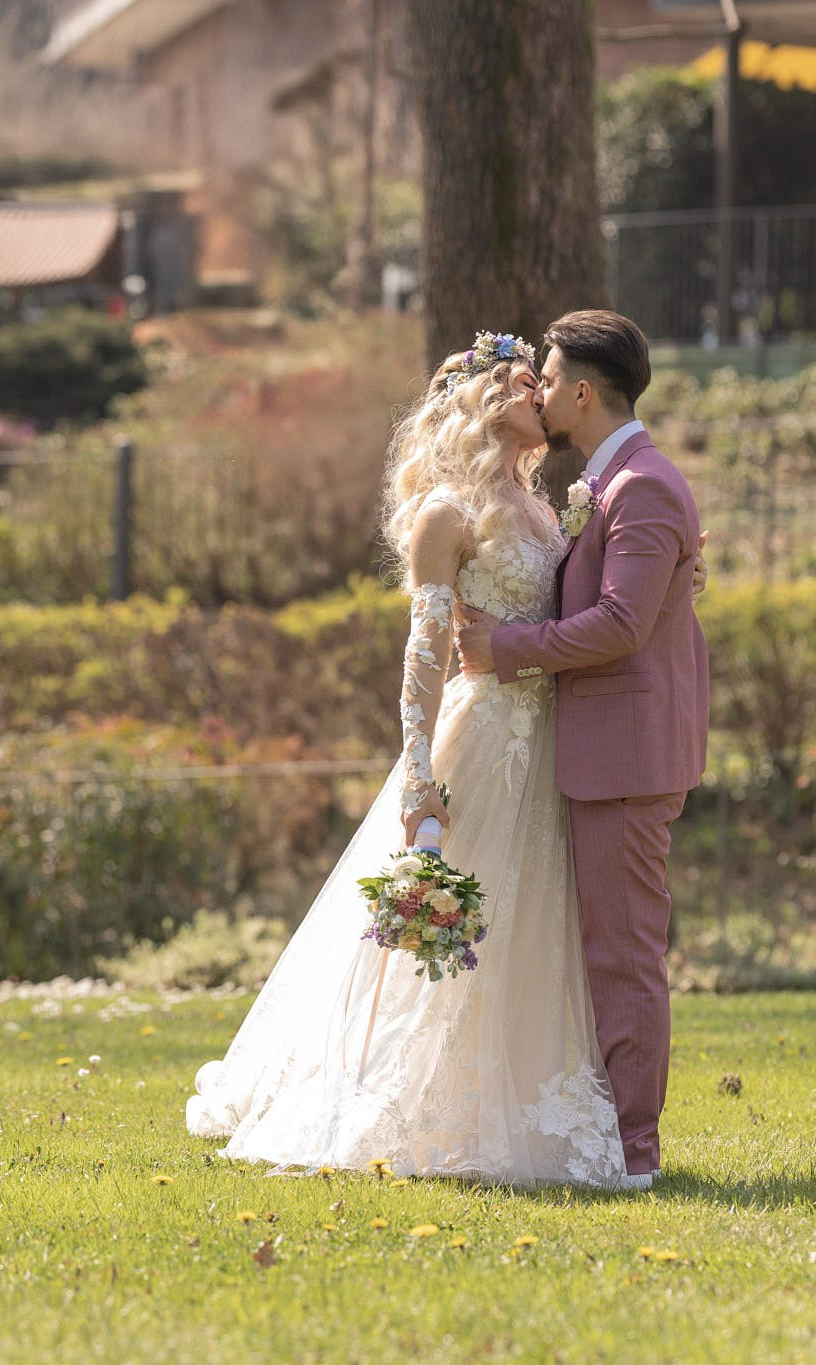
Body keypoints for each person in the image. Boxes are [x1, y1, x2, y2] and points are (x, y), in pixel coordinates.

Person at [186, 332, 652, 1187]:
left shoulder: (550, 509)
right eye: (521, 385)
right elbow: (422, 659)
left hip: (552, 744)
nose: (537, 397)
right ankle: (415, 1102)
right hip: (482, 744)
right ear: (476, 405)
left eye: (538, 382)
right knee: (460, 929)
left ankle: (530, 1100)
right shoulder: (447, 513)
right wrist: (417, 775)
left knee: (535, 928)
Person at [456, 309, 708, 1191]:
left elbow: (622, 624)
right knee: (604, 945)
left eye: (549, 374)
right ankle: (608, 1129)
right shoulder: (617, 485)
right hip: (601, 749)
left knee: (624, 952)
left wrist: (505, 650)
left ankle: (635, 1150)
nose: (538, 387)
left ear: (582, 391)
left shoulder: (641, 486)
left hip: (628, 757)